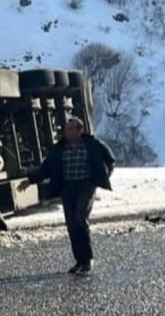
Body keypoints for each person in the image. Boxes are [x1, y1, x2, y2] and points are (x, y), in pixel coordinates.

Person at [18, 117, 116, 276]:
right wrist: (30, 180)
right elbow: (46, 168)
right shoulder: (59, 149)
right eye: (67, 129)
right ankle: (79, 261)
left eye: (71, 129)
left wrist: (104, 176)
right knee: (72, 225)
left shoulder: (92, 144)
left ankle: (88, 259)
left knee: (80, 220)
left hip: (86, 186)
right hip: (68, 188)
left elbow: (110, 159)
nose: (68, 132)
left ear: (80, 130)